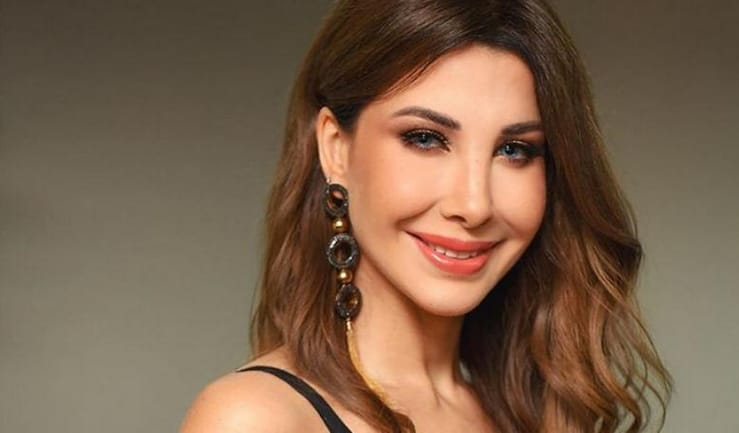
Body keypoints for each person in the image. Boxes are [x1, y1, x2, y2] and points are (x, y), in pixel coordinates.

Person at [180, 1, 672, 432]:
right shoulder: (256, 419)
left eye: (515, 149)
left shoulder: (538, 415)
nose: (474, 205)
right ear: (335, 149)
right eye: (425, 138)